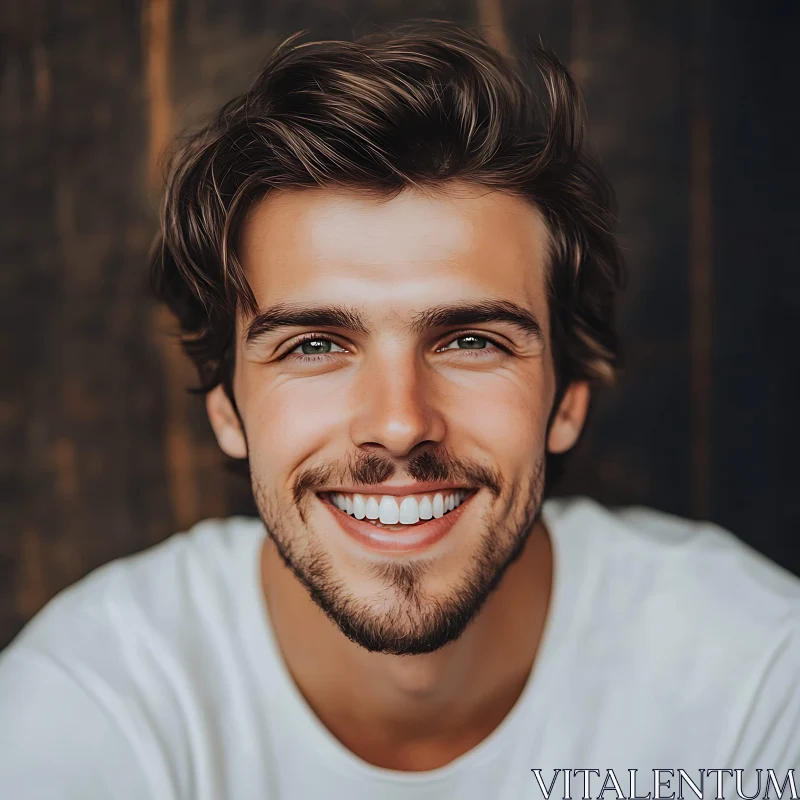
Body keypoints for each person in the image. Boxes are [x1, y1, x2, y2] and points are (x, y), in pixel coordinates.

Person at [1, 21, 798, 800]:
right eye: (313, 346)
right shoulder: (90, 704)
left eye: (472, 341)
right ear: (226, 412)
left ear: (567, 399)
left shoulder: (757, 681)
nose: (399, 422)